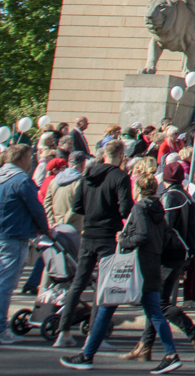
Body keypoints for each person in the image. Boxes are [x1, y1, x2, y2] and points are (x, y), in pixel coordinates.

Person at [60, 172, 183, 373]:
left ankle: (87, 356)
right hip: (151, 265)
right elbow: (161, 236)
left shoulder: (139, 208)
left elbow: (141, 235)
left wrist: (123, 240)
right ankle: (171, 354)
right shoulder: (158, 208)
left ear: (137, 189)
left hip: (134, 267)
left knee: (106, 308)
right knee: (154, 312)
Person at [55, 140, 132, 348]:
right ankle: (94, 335)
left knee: (78, 283)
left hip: (88, 233)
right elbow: (125, 210)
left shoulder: (87, 175)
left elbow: (77, 206)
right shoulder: (120, 177)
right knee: (102, 287)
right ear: (121, 155)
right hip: (108, 234)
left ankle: (63, 332)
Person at [129, 163, 195, 363]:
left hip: (169, 255)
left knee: (159, 303)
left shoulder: (171, 197)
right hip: (179, 254)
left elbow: (166, 228)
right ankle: (145, 345)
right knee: (155, 300)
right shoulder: (185, 195)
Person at [0, 143, 49, 345]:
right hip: (13, 236)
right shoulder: (21, 180)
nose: (31, 161)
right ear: (22, 159)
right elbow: (35, 207)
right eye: (29, 158)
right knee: (5, 286)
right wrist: (45, 228)